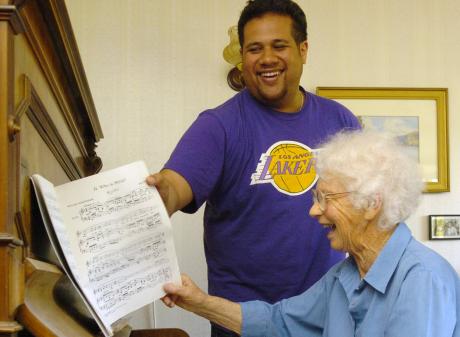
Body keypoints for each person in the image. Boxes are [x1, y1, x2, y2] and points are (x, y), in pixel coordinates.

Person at [147, 0, 360, 335]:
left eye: (279, 46)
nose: (267, 59)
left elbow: (365, 209)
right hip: (242, 323)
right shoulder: (218, 126)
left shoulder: (340, 120)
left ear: (303, 50)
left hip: (327, 319)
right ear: (243, 57)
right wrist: (161, 192)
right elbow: (175, 186)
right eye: (254, 49)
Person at [161, 130, 460, 337]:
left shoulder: (423, 279)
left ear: (370, 205)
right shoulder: (346, 275)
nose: (314, 211)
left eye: (325, 199)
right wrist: (198, 301)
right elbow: (279, 323)